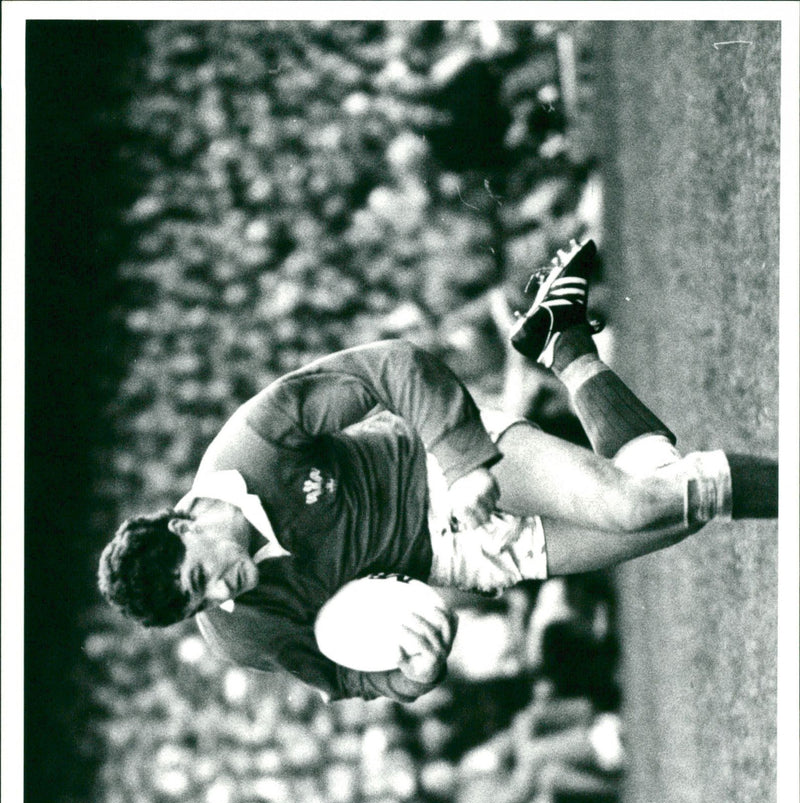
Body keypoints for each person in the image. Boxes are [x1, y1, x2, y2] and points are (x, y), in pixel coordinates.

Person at [98, 239, 778, 704]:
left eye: (198, 574)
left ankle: (563, 344)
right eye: (199, 602)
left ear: (183, 519)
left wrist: (459, 459)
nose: (219, 590)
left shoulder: (253, 442)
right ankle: (563, 341)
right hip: (455, 561)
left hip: (436, 465)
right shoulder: (239, 630)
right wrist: (411, 676)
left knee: (636, 505)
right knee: (672, 503)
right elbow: (342, 676)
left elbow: (386, 367)